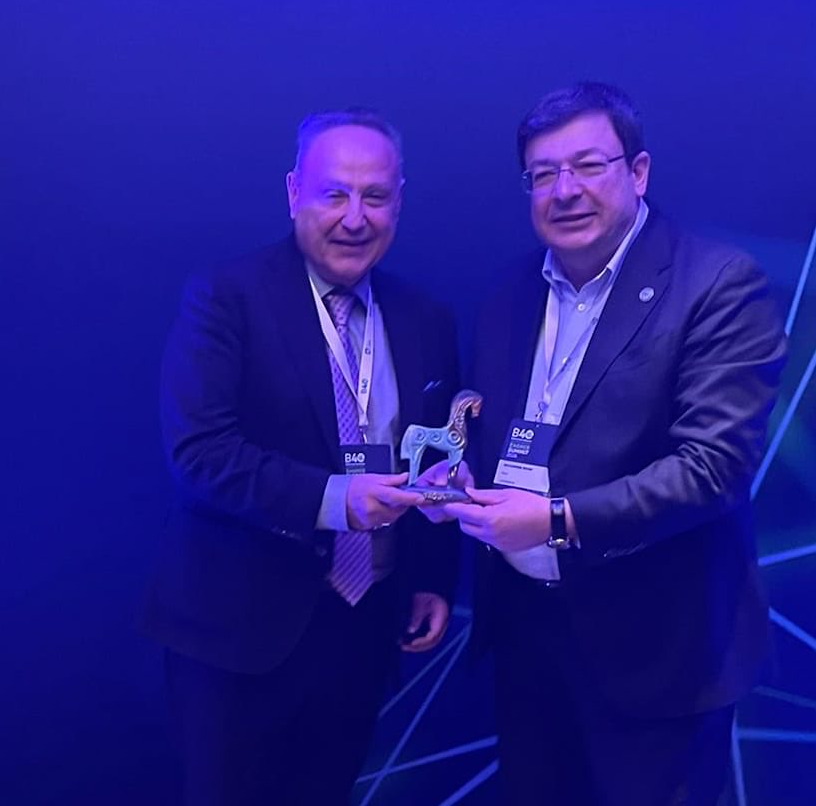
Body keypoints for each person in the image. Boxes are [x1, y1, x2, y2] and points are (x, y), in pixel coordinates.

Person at [436, 82, 787, 805]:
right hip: (527, 640)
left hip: (658, 650)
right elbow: (504, 438)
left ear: (638, 171)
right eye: (543, 174)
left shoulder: (716, 284)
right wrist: (459, 479)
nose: (565, 190)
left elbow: (712, 468)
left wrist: (555, 519)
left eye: (588, 166)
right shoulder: (508, 295)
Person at [141, 108, 461, 806]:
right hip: (238, 634)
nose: (355, 217)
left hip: (364, 628)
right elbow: (200, 452)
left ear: (399, 201)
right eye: (333, 193)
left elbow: (429, 457)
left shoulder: (425, 318)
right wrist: (336, 499)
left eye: (375, 196)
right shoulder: (225, 298)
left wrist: (432, 575)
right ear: (293, 193)